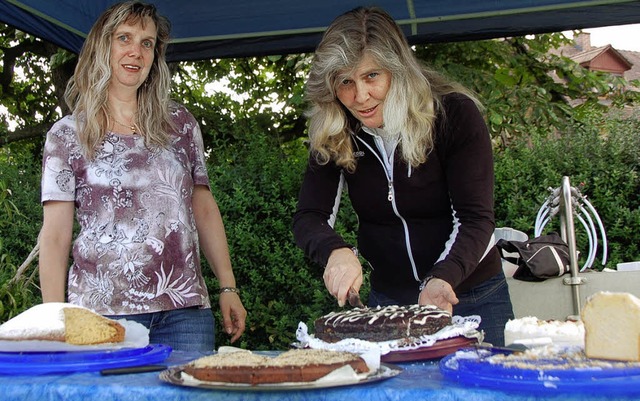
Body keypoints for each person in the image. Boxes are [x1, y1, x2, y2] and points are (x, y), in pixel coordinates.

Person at [292, 6, 514, 346]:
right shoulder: (335, 128)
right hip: (389, 301)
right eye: (345, 81)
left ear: (398, 71)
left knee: (487, 396)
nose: (360, 96)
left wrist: (443, 278)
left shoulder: (453, 113)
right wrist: (335, 252)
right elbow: (310, 216)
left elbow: (475, 218)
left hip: (468, 292)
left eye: (371, 76)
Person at [38, 1, 246, 351]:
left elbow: (204, 209)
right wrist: (53, 317)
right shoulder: (67, 135)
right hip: (103, 313)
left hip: (185, 311)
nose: (136, 52)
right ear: (103, 46)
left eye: (147, 43)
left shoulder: (180, 124)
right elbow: (55, 235)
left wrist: (228, 286)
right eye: (124, 38)